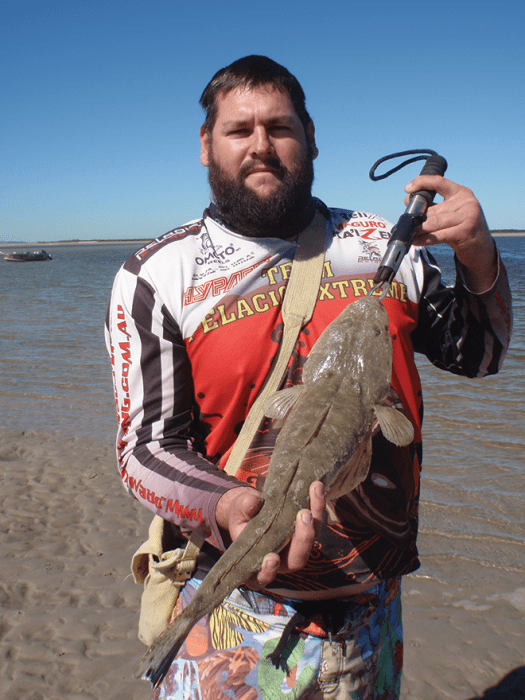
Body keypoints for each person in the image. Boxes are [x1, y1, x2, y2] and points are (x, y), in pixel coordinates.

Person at [106, 56, 512, 699]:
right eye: (240, 130)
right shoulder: (157, 275)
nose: (261, 146)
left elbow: (481, 356)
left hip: (371, 611)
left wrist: (480, 254)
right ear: (206, 146)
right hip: (238, 610)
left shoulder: (383, 244)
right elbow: (144, 448)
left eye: (280, 127)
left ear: (312, 137)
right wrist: (226, 506)